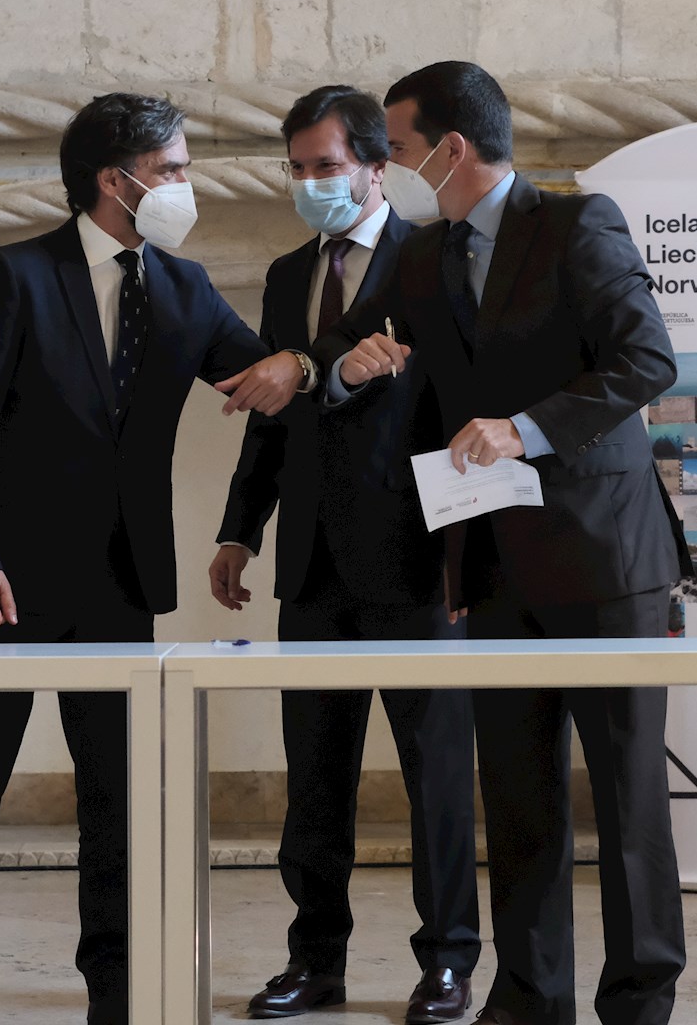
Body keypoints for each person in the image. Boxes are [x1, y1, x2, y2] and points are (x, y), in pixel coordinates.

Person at [0, 91, 312, 1025]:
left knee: (119, 803)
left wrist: (307, 365)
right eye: (171, 169)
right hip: (7, 584)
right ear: (115, 179)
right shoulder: (16, 275)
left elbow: (261, 382)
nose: (185, 185)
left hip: (120, 583)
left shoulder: (185, 286)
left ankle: (114, 984)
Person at [314, 61, 693, 1025]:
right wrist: (349, 369)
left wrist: (524, 429)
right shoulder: (421, 258)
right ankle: (528, 998)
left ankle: (640, 1001)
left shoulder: (576, 225)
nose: (391, 166)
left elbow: (647, 359)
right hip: (490, 564)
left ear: (452, 148)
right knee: (519, 800)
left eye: (400, 147)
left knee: (627, 796)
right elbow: (345, 350)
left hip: (606, 560)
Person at [208, 85, 481, 1024]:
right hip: (313, 567)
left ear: (375, 165)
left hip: (418, 564)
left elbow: (458, 403)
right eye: (297, 168)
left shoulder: (434, 258)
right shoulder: (288, 274)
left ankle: (447, 962)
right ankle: (314, 961)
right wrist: (239, 529)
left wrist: (469, 560)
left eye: (326, 166)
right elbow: (270, 416)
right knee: (314, 783)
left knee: (435, 779)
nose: (310, 182)